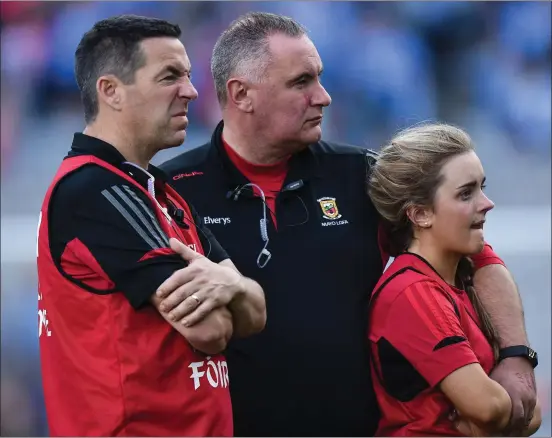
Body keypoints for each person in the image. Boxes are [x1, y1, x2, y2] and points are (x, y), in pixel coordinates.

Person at [159, 11, 538, 437]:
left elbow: (478, 256)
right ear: (241, 93)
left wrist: (516, 356)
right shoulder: (174, 190)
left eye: (319, 78)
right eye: (301, 82)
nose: (323, 96)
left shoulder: (359, 174)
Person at [37, 15, 266, 437]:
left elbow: (256, 313)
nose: (192, 92)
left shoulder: (162, 192)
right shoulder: (94, 189)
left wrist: (232, 287)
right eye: (169, 77)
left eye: (188, 75)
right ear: (111, 91)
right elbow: (212, 331)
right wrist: (233, 284)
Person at [367, 123, 541, 436]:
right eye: (466, 194)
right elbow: (489, 407)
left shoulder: (459, 281)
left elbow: (531, 411)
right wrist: (494, 410)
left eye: (482, 187)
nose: (487, 203)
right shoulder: (412, 292)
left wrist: (489, 415)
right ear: (420, 214)